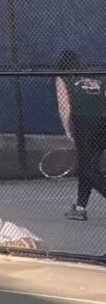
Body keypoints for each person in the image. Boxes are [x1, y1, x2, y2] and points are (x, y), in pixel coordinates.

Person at [56, 51, 106, 221]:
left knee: (89, 169)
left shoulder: (63, 78)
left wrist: (69, 131)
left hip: (84, 124)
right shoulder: (97, 80)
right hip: (103, 123)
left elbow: (64, 107)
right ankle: (80, 208)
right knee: (88, 166)